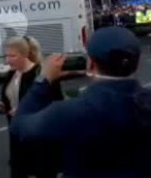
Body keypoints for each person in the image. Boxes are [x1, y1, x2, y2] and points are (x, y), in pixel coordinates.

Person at [11, 27, 151, 177]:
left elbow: (20, 126)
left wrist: (43, 79)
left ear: (90, 63)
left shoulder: (69, 112)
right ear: (136, 64)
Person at [0, 36, 63, 178]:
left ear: (24, 55)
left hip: (40, 139)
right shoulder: (12, 74)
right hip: (18, 137)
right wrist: (4, 107)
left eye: (12, 56)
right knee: (18, 171)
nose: (7, 60)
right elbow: (12, 100)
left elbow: (57, 104)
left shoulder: (42, 75)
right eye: (6, 56)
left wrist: (28, 111)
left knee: (43, 172)